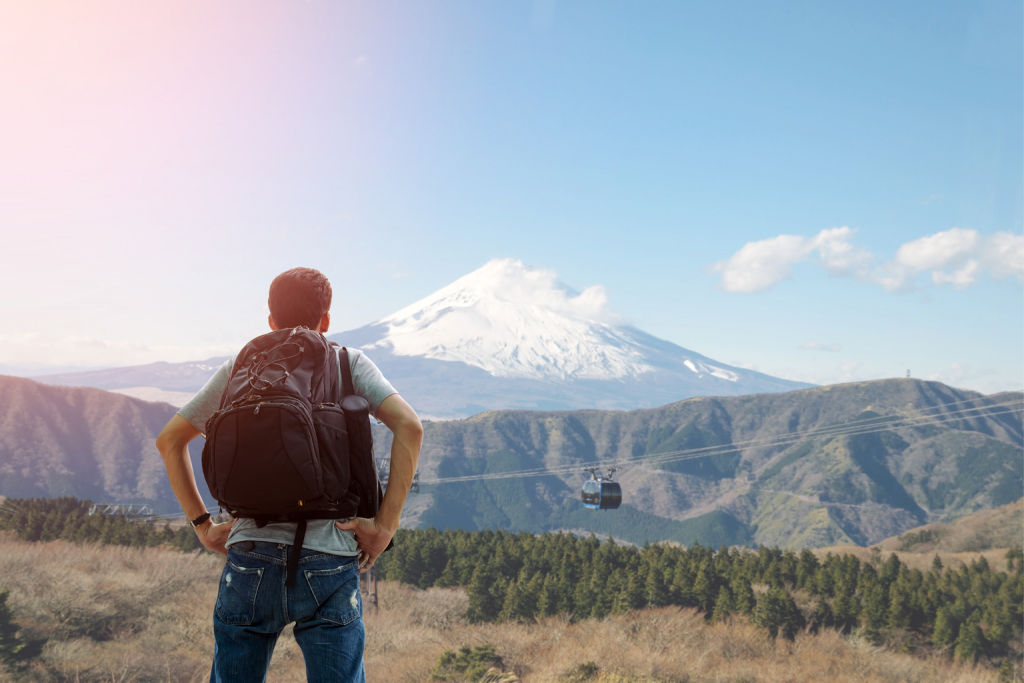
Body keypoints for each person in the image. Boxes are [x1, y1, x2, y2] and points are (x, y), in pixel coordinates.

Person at [155, 267, 423, 683]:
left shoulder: (241, 369)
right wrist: (384, 526)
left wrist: (203, 526)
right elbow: (410, 426)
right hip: (330, 557)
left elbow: (170, 441)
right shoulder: (347, 362)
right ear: (326, 319)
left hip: (249, 555)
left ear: (270, 320)